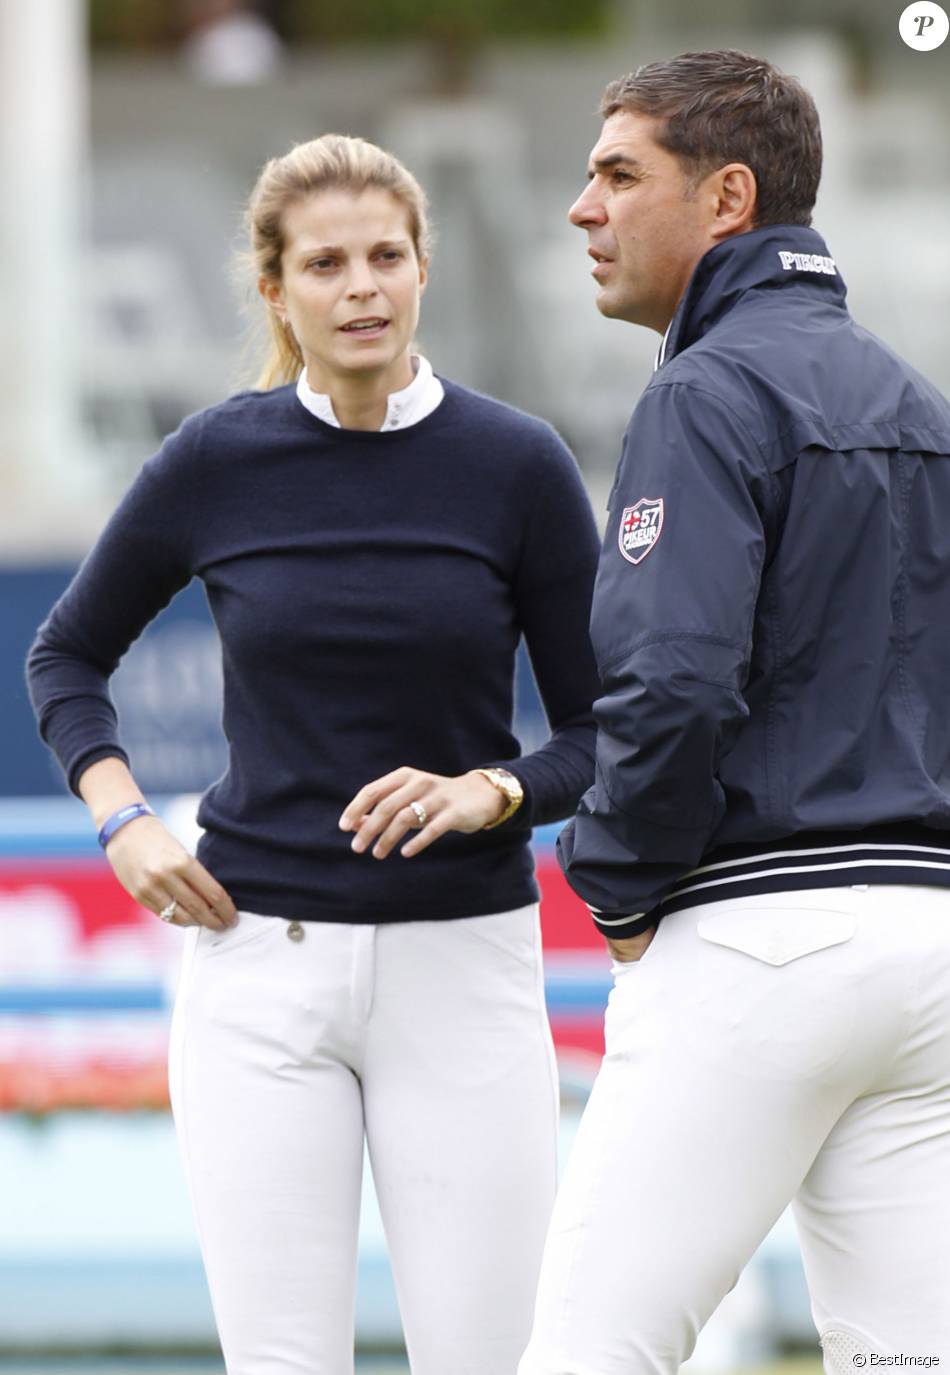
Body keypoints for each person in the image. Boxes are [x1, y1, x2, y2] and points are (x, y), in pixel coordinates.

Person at [27, 133, 603, 1375]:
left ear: (422, 270)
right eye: (326, 263)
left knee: (486, 1358)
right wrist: (122, 817)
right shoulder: (213, 459)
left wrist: (493, 788)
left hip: (466, 967)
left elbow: (606, 729)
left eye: (385, 256)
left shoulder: (517, 464)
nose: (361, 287)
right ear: (274, 288)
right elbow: (64, 656)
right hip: (254, 973)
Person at [517, 49, 950, 1375]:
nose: (582, 209)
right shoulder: (919, 404)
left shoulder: (701, 391)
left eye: (615, 174)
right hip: (927, 942)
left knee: (591, 1348)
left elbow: (671, 684)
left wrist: (619, 880)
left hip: (757, 935)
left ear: (726, 200)